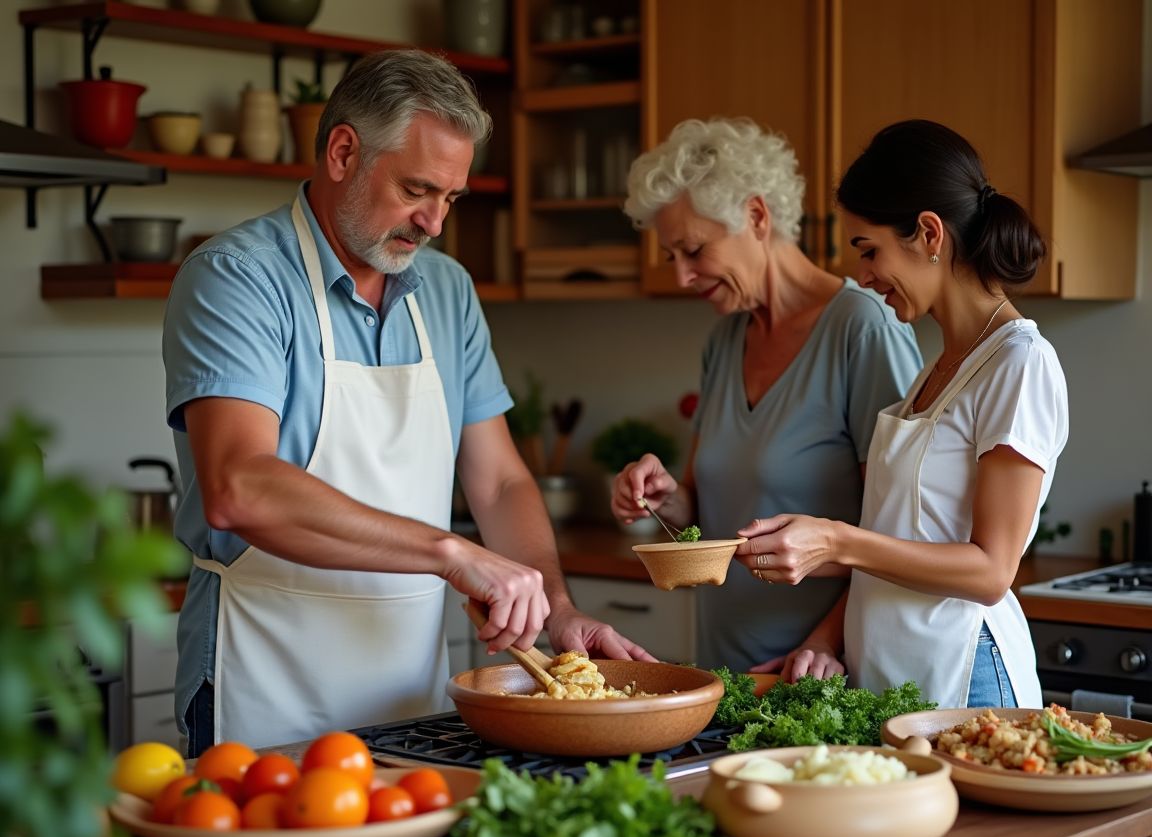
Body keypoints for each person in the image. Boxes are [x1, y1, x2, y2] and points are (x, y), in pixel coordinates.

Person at [163, 49, 655, 755]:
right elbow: (239, 488)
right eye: (417, 189)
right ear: (342, 152)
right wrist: (452, 552)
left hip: (409, 702)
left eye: (450, 198)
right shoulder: (237, 279)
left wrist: (558, 609)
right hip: (264, 683)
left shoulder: (447, 291)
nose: (434, 223)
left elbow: (501, 479)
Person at [738, 119, 1069, 709]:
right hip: (890, 674)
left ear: (928, 233)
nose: (862, 275)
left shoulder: (1020, 363)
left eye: (870, 250)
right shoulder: (937, 367)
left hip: (964, 673)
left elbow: (992, 571)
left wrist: (837, 541)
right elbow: (903, 542)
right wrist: (823, 641)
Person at [609, 118, 922, 679]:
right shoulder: (726, 338)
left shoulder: (862, 329)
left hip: (822, 672)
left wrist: (824, 645)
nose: (681, 276)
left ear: (756, 216)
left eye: (693, 250)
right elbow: (705, 521)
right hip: (725, 671)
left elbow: (902, 534)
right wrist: (664, 499)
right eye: (671, 256)